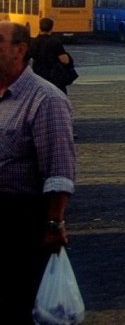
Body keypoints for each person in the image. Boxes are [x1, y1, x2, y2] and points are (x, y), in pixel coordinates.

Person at [0, 20, 76, 323]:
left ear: (20, 49)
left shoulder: (46, 100)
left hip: (19, 222)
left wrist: (54, 223)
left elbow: (58, 170)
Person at [28, 17, 72, 94]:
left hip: (38, 73)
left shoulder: (33, 42)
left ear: (39, 27)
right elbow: (65, 60)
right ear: (51, 28)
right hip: (53, 75)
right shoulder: (55, 42)